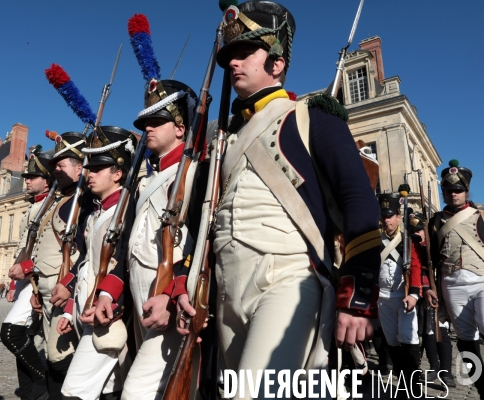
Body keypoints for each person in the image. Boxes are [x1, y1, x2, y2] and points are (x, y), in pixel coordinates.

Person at [199, 2, 382, 395]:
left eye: (245, 52)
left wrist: (359, 296)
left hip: (287, 279)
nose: (233, 63)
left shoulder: (311, 115)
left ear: (277, 63)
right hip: (227, 287)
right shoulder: (225, 143)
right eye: (230, 55)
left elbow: (359, 201)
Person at [94, 79, 205, 399]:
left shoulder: (197, 173)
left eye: (157, 121)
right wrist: (110, 291)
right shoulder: (146, 183)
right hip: (139, 296)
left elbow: (198, 238)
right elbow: (130, 243)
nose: (148, 128)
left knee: (137, 392)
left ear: (181, 128)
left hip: (169, 298)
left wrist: (177, 291)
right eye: (146, 123)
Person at [57, 126, 137, 400]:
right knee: (109, 390)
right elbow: (87, 266)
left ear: (118, 173)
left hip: (106, 313)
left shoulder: (124, 213)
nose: (89, 174)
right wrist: (69, 308)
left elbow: (124, 263)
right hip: (85, 308)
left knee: (73, 391)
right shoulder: (96, 214)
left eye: (98, 169)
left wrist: (110, 303)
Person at [23, 132, 91, 398]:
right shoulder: (62, 201)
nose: (56, 171)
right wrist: (36, 291)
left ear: (80, 167)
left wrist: (70, 285)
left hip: (67, 292)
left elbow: (86, 253)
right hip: (50, 290)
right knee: (54, 358)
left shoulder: (82, 201)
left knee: (61, 357)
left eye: (62, 165)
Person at [425, 160, 484, 396]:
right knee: (465, 339)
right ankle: (481, 384)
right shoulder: (436, 220)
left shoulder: (480, 214)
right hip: (451, 284)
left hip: (481, 279)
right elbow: (429, 257)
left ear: (466, 191)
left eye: (458, 190)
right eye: (449, 191)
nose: (453, 194)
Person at [2, 147, 54, 400]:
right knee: (26, 339)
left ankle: (39, 378)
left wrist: (25, 269)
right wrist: (14, 285)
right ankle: (29, 392)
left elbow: (48, 248)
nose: (28, 181)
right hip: (26, 280)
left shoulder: (52, 205)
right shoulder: (32, 207)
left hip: (40, 279)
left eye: (33, 177)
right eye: (26, 177)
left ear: (47, 180)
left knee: (11, 333)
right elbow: (24, 247)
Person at [376, 194, 421, 386]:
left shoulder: (407, 239)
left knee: (408, 338)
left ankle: (413, 384)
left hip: (403, 296)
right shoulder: (374, 240)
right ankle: (402, 383)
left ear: (397, 216)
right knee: (392, 341)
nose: (387, 220)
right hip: (383, 297)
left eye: (391, 215)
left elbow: (416, 266)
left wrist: (414, 294)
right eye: (384, 216)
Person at [410, 212, 455, 388]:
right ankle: (435, 368)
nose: (417, 233)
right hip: (421, 293)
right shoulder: (413, 247)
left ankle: (447, 372)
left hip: (439, 290)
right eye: (415, 230)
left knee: (441, 330)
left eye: (420, 230)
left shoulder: (435, 244)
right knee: (427, 332)